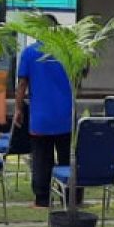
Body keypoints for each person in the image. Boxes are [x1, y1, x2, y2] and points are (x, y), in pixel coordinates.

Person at [14, 14, 73, 208]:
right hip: (66, 116)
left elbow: (22, 84)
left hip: (41, 117)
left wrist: (18, 109)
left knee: (41, 158)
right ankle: (70, 197)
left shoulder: (30, 53)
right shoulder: (68, 52)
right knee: (66, 157)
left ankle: (42, 199)